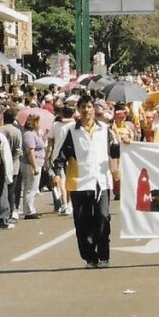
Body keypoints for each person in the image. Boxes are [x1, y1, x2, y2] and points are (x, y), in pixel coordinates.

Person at [51, 95, 117, 268]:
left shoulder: (104, 129)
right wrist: (57, 173)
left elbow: (115, 150)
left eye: (89, 107)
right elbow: (60, 156)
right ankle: (90, 257)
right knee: (83, 222)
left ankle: (104, 256)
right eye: (83, 107)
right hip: (79, 183)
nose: (86, 110)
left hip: (101, 181)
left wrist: (124, 145)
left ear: (93, 109)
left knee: (103, 217)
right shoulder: (71, 131)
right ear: (78, 110)